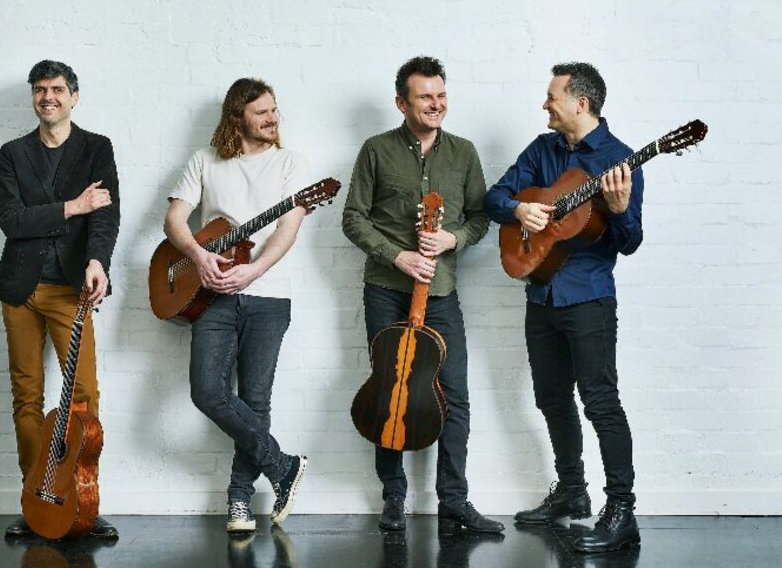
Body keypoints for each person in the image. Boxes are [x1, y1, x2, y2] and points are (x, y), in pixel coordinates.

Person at [483, 62, 643, 552]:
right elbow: (494, 197)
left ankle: (621, 511)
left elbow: (630, 241)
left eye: (552, 96)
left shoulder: (619, 161)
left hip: (589, 298)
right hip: (540, 293)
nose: (545, 104)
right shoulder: (543, 149)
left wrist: (617, 212)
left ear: (581, 102)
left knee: (600, 402)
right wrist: (518, 209)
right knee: (551, 398)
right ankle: (572, 493)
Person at [342, 56, 501, 534]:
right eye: (425, 97)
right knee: (389, 390)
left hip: (443, 293)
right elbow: (353, 217)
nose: (437, 104)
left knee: (454, 396)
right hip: (387, 291)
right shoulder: (375, 150)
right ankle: (394, 497)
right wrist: (398, 255)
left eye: (441, 95)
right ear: (401, 103)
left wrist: (454, 239)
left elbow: (480, 216)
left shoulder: (465, 152)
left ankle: (454, 499)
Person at [163, 78, 308, 534]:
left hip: (269, 297)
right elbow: (173, 220)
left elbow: (289, 226)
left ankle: (240, 500)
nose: (273, 118)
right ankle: (283, 466)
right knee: (207, 392)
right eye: (262, 111)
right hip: (212, 298)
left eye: (274, 109)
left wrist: (256, 268)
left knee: (255, 399)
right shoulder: (204, 161)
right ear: (237, 117)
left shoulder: (290, 164)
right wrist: (199, 255)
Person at [0, 60, 120, 538]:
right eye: (40, 90)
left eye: (58, 89)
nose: (49, 97)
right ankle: (36, 499)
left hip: (72, 289)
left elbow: (106, 215)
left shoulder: (95, 148)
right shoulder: (12, 154)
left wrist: (98, 261)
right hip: (20, 291)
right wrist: (72, 206)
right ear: (33, 97)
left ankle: (81, 498)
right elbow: (11, 220)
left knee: (82, 399)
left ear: (74, 96)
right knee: (27, 397)